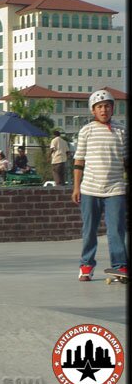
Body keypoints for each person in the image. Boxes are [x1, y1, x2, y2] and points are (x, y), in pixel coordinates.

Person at [71, 89, 128, 281]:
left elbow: (126, 161)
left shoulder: (121, 130)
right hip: (90, 189)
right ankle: (86, 264)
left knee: (116, 230)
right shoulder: (87, 130)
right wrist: (76, 188)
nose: (104, 110)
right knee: (89, 230)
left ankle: (120, 266)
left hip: (116, 188)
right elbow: (79, 161)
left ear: (113, 108)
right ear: (93, 110)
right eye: (100, 107)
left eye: (107, 106)